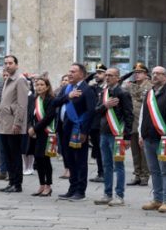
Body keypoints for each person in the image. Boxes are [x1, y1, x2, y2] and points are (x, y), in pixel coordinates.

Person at [51, 62, 97, 201]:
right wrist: (68, 96)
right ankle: (72, 188)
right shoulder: (67, 88)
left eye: (73, 72)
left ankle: (80, 191)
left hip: (78, 130)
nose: (70, 74)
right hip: (65, 128)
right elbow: (54, 103)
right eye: (69, 71)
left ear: (82, 74)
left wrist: (84, 132)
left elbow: (90, 112)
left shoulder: (87, 89)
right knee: (69, 159)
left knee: (80, 161)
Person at [139, 66, 166, 213]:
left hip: (163, 139)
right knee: (154, 170)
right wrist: (140, 133)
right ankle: (157, 199)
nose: (155, 76)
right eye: (154, 73)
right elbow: (143, 115)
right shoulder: (149, 94)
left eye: (159, 74)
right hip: (148, 138)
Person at [93, 67, 133, 206]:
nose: (108, 77)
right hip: (104, 133)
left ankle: (119, 195)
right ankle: (107, 194)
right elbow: (96, 110)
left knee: (119, 165)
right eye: (107, 75)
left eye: (111, 75)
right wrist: (106, 105)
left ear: (118, 77)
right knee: (106, 165)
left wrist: (127, 137)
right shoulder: (104, 92)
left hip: (117, 134)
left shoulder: (122, 93)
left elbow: (129, 115)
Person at [0, 54, 29, 193]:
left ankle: (17, 183)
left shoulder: (20, 80)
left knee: (14, 155)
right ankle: (11, 181)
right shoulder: (8, 79)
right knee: (6, 154)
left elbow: (22, 104)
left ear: (16, 64)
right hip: (4, 123)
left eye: (10, 63)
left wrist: (18, 123)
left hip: (13, 123)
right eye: (6, 63)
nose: (7, 65)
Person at [26, 75, 58, 197]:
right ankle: (41, 184)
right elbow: (30, 115)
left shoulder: (51, 100)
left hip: (46, 133)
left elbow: (48, 117)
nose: (39, 87)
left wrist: (34, 128)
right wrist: (30, 127)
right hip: (35, 134)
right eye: (37, 85)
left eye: (41, 85)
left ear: (47, 87)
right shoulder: (35, 100)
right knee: (38, 159)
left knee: (45, 159)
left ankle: (48, 186)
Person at [127, 63, 152, 186]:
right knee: (135, 151)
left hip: (144, 123)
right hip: (133, 122)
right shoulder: (131, 86)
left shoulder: (150, 86)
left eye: (140, 72)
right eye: (135, 73)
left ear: (146, 74)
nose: (137, 74)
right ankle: (137, 174)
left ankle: (144, 176)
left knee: (144, 151)